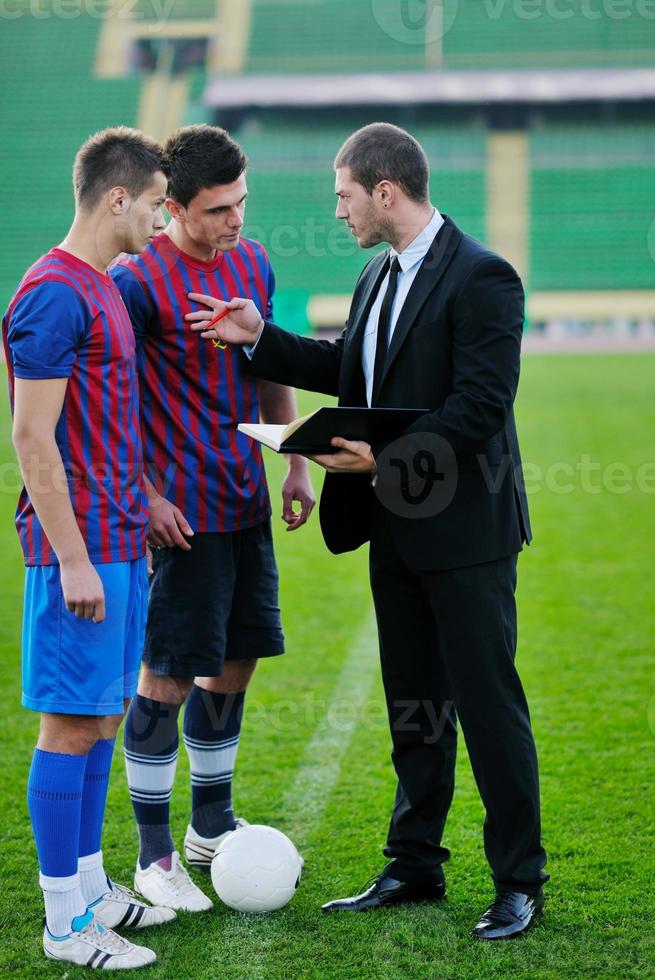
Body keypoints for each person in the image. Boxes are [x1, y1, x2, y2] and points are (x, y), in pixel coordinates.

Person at [186, 122, 549, 940]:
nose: (337, 208)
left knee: (488, 709)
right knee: (415, 705)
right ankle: (414, 863)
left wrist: (379, 461)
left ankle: (518, 881)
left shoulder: (485, 277)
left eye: (343, 193)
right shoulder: (377, 274)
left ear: (385, 191)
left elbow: (480, 408)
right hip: (397, 533)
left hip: (466, 538)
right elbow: (351, 363)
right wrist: (259, 339)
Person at [111, 124, 314, 913]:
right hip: (176, 515)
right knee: (166, 669)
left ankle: (209, 823)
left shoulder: (254, 260)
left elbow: (266, 363)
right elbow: (110, 397)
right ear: (175, 208)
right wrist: (145, 494)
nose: (235, 220)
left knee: (236, 658)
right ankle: (155, 854)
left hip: (244, 497)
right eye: (218, 209)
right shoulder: (137, 281)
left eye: (241, 203)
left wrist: (295, 458)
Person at [2, 128, 177, 970]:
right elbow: (32, 435)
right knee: (69, 725)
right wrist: (72, 556)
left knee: (103, 714)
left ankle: (92, 886)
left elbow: (106, 427)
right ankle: (63, 923)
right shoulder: (50, 293)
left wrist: (136, 515)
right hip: (78, 548)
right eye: (153, 203)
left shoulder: (102, 286)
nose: (159, 218)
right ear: (117, 198)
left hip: (118, 540)